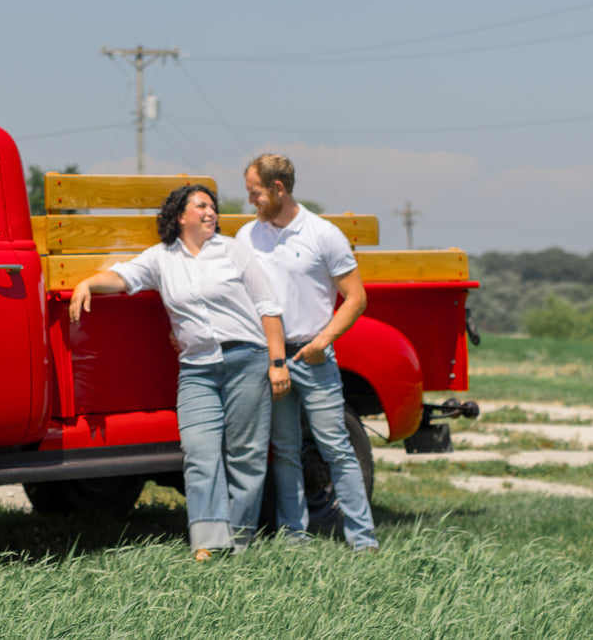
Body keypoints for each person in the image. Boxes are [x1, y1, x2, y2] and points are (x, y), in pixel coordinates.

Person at [69, 184, 288, 558]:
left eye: (213, 206)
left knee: (246, 456)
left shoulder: (234, 250)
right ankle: (208, 542)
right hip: (197, 369)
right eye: (201, 206)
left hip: (246, 361)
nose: (211, 212)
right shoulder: (160, 258)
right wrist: (87, 283)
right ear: (179, 216)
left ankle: (240, 540)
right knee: (199, 451)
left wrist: (277, 362)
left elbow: (267, 305)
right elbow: (123, 277)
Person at [238, 154, 378, 551]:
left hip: (313, 358)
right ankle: (293, 538)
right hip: (271, 357)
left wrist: (322, 342)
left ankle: (363, 540)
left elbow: (355, 298)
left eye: (256, 192)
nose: (251, 201)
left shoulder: (323, 234)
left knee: (336, 447)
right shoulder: (248, 236)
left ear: (278, 188)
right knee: (284, 451)